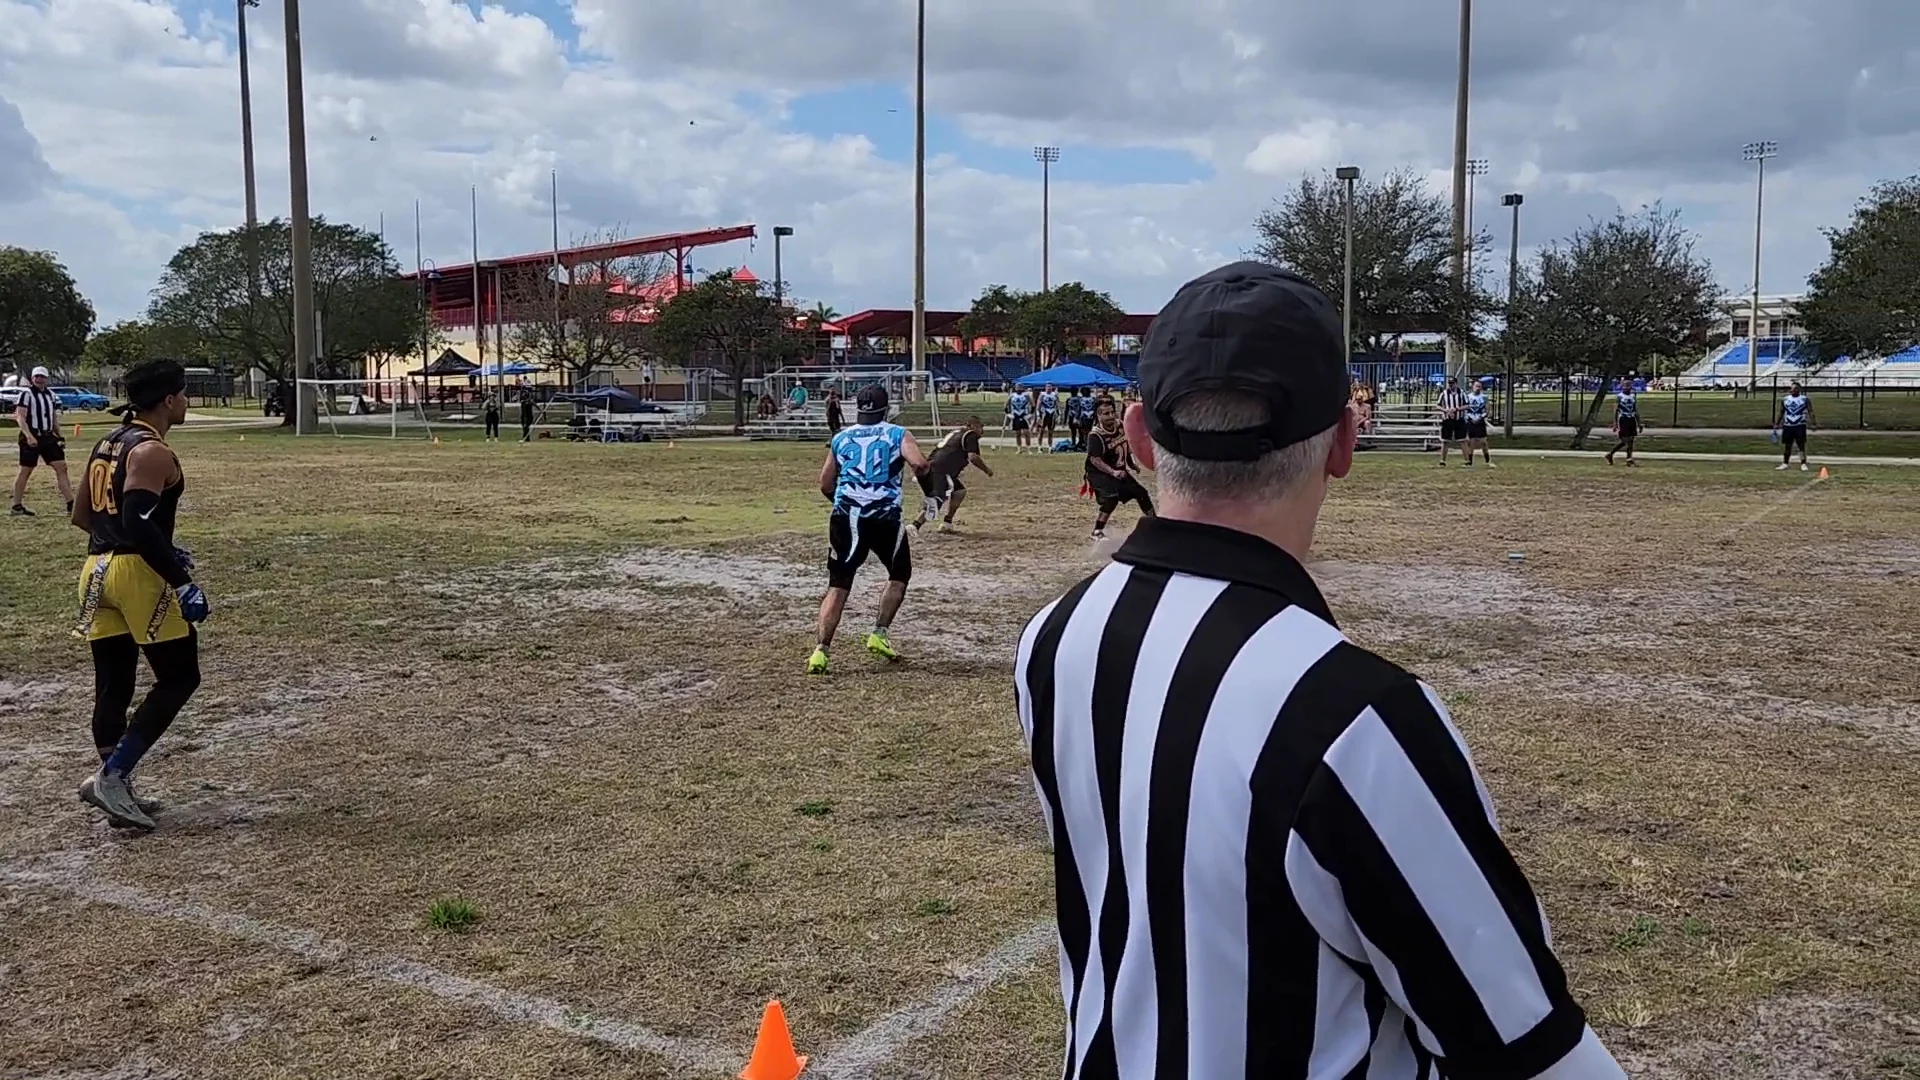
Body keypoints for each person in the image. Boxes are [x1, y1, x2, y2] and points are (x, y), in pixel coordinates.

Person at [1015, 262, 1623, 1079]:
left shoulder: (1053, 638)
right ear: (1343, 440)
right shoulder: (1353, 716)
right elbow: (1525, 1049)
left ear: (1139, 437)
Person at [70, 359, 208, 831]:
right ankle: (112, 777)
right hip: (136, 574)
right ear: (168, 400)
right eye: (184, 394)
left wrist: (140, 545)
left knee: (113, 684)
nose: (186, 402)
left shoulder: (107, 443)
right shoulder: (152, 451)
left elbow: (82, 516)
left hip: (95, 570)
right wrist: (179, 578)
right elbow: (137, 521)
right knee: (180, 676)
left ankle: (116, 790)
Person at [807, 385, 929, 675]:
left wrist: (843, 502)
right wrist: (928, 487)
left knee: (838, 584)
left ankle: (820, 651)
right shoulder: (897, 434)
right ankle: (879, 632)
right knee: (899, 574)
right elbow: (920, 464)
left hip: (846, 517)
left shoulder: (841, 437)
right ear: (886, 409)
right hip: (884, 517)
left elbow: (825, 483)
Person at [1084, 394, 1153, 540]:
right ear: (1099, 415)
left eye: (1112, 412)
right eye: (1106, 414)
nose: (1110, 416)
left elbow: (1125, 445)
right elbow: (1095, 459)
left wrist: (1131, 463)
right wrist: (1113, 472)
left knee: (1141, 493)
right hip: (1099, 473)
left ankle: (1155, 523)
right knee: (1111, 498)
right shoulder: (1095, 435)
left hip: (1118, 469)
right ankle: (1097, 531)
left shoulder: (1121, 426)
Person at [12, 365, 73, 517]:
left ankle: (71, 503)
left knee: (61, 466)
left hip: (47, 436)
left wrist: (59, 435)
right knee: (26, 470)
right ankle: (16, 506)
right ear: (32, 378)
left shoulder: (50, 395)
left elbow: (53, 417)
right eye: (37, 376)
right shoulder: (26, 394)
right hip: (31, 434)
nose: (39, 379)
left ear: (46, 379)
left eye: (42, 377)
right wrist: (29, 436)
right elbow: (20, 417)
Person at [913, 415, 992, 532]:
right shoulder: (971, 434)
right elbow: (973, 457)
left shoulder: (957, 433)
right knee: (937, 500)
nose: (982, 431)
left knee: (959, 491)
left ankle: (947, 523)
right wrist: (987, 470)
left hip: (934, 467)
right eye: (981, 427)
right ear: (973, 426)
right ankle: (914, 526)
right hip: (940, 471)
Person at [1776, 381, 1813, 472]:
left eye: (1795, 388)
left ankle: (1803, 463)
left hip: (1800, 425)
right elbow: (1781, 412)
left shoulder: (1804, 399)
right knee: (1787, 445)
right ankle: (1785, 463)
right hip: (1788, 425)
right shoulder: (1785, 399)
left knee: (1801, 445)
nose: (1793, 390)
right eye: (1792, 388)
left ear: (1799, 390)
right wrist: (1777, 423)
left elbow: (1810, 411)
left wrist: (1813, 423)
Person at [1605, 379, 1640, 466]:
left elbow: (1635, 409)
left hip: (1631, 418)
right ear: (1622, 387)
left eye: (1628, 385)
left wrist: (1639, 422)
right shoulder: (1619, 396)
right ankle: (1610, 454)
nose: (1627, 388)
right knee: (1625, 441)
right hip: (1623, 419)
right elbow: (1616, 410)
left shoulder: (1633, 396)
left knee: (1631, 440)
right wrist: (1615, 423)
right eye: (1625, 386)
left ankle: (1629, 458)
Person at [1462, 379, 1495, 467]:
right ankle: (1469, 461)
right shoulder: (1467, 397)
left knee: (1483, 442)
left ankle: (1488, 460)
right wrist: (1469, 418)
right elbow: (1464, 409)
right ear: (1472, 387)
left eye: (1479, 386)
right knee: (1471, 442)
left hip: (1480, 421)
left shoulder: (1484, 397)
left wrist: (1481, 417)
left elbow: (1487, 410)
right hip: (1470, 421)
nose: (1478, 388)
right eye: (1476, 386)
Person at [1435, 375, 1465, 465]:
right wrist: (1446, 410)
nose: (1451, 385)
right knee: (1445, 441)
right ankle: (1442, 460)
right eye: (1449, 383)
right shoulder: (1444, 393)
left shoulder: (1462, 393)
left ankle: (1467, 461)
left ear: (1456, 383)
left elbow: (1467, 405)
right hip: (1447, 419)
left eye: (1452, 383)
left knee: (1462, 440)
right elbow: (1437, 406)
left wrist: (1456, 409)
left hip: (1459, 419)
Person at [1005, 384, 1033, 452]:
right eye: (1017, 387)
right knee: (1018, 433)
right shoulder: (1012, 396)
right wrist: (1008, 413)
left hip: (1024, 415)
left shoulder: (1026, 395)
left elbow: (1032, 404)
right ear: (1015, 388)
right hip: (1015, 416)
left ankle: (1028, 448)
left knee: (1026, 432)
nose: (1019, 389)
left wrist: (1031, 413)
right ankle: (1019, 448)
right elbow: (1006, 405)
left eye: (1020, 387)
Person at [1037, 384, 1059, 449]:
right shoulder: (1042, 395)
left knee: (1050, 431)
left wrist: (1058, 414)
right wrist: (1038, 415)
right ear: (1045, 388)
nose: (1049, 389)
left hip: (1052, 414)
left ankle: (1050, 446)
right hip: (1044, 414)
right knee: (1041, 431)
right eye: (1047, 388)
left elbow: (1057, 404)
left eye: (1050, 388)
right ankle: (1039, 446)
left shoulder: (1054, 395)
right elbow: (1038, 405)